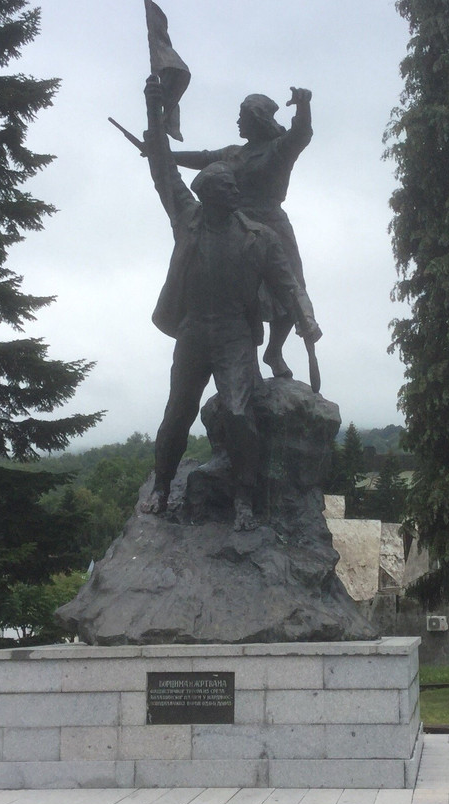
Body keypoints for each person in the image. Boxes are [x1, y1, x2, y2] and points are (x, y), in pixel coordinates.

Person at [139, 75, 321, 531]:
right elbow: (165, 170)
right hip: (194, 330)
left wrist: (307, 320)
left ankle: (244, 498)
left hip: (236, 335)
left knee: (240, 414)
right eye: (228, 188)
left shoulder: (259, 238)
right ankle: (161, 487)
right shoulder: (189, 218)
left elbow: (288, 286)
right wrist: (153, 113)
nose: (237, 190)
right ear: (208, 193)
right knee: (176, 413)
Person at [127, 87, 313, 379]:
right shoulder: (232, 153)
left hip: (273, 225)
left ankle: (274, 351)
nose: (238, 121)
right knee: (238, 296)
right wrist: (162, 154)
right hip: (237, 225)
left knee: (291, 294)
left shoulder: (279, 148)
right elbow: (202, 159)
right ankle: (243, 358)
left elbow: (301, 134)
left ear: (257, 119)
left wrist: (303, 107)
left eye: (242, 116)